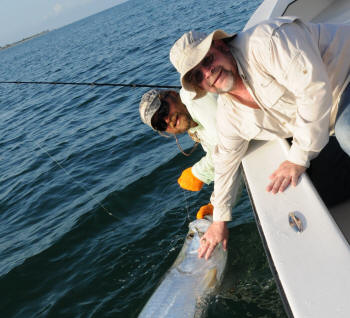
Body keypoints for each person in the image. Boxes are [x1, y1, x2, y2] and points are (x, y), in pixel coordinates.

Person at [170, 19, 350, 259]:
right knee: (313, 191)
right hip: (327, 121)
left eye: (208, 59)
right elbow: (225, 161)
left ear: (221, 46)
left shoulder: (267, 41)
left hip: (344, 79)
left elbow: (314, 91)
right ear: (199, 87)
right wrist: (220, 218)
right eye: (197, 76)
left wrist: (297, 158)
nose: (208, 73)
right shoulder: (229, 114)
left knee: (347, 131)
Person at [139, 88, 242, 218]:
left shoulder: (196, 97)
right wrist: (215, 206)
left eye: (163, 110)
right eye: (160, 123)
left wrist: (198, 173)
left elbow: (228, 148)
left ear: (173, 94)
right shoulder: (197, 127)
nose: (166, 120)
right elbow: (232, 165)